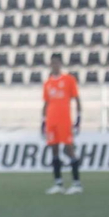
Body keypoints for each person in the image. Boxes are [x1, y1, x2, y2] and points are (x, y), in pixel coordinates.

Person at [42, 54, 83, 195]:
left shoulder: (68, 80)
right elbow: (46, 103)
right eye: (52, 63)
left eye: (57, 63)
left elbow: (77, 99)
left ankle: (77, 183)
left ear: (60, 64)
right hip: (51, 121)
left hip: (65, 121)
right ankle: (58, 183)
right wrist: (43, 120)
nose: (55, 65)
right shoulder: (47, 83)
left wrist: (78, 119)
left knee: (69, 149)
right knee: (54, 151)